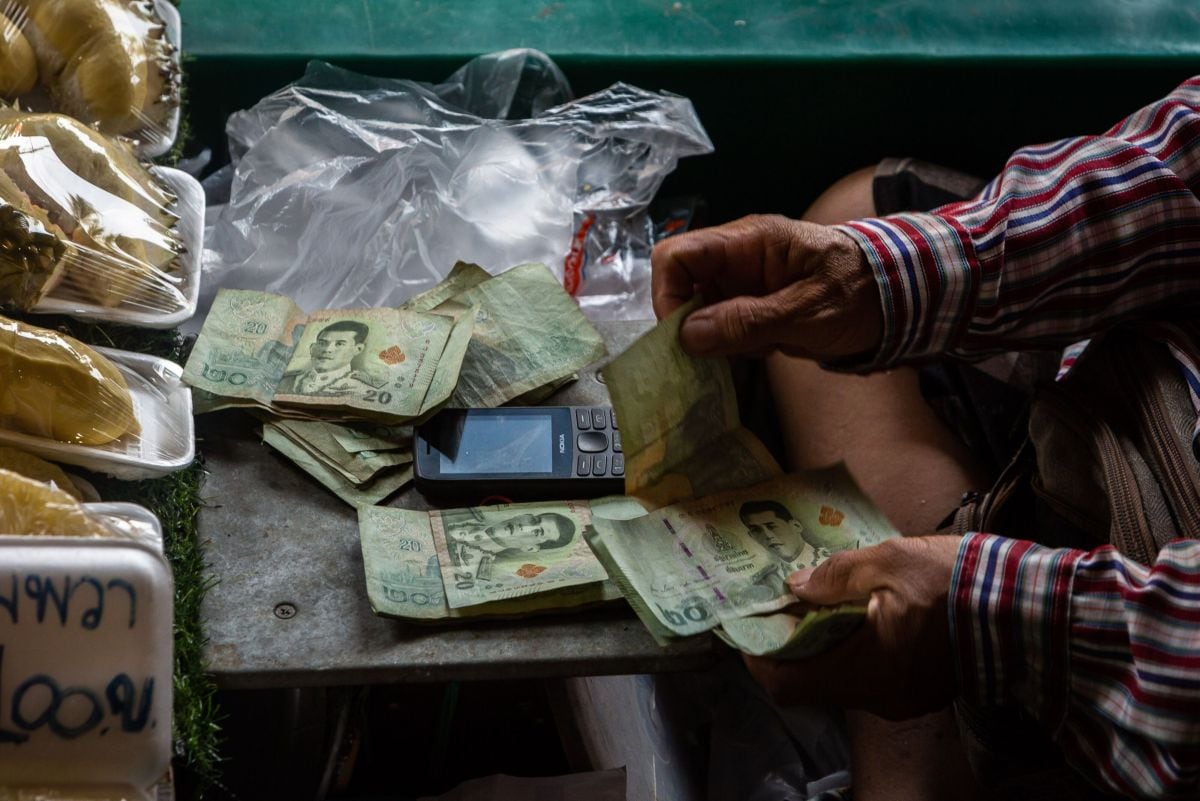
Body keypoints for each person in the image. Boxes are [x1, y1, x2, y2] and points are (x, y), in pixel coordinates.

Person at [651, 76, 1200, 800]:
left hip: (1163, 613)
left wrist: (1006, 625)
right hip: (1145, 390)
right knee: (859, 209)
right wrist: (882, 281)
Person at [277, 320, 385, 396]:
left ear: (358, 349)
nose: (327, 350)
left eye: (339, 344)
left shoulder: (365, 388)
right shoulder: (286, 380)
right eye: (322, 343)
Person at [443, 510, 577, 566]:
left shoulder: (471, 570)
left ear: (530, 548)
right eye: (534, 520)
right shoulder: (463, 514)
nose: (524, 527)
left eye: (538, 532)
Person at [739, 499, 830, 568]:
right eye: (756, 530)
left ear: (796, 526)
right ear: (752, 536)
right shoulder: (769, 579)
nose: (768, 535)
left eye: (772, 526)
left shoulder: (831, 556)